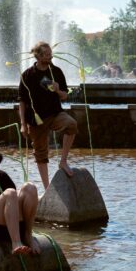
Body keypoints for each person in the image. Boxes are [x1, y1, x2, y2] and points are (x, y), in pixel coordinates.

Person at [18, 41, 78, 190]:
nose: (50, 56)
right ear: (37, 56)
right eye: (46, 54)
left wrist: (57, 90)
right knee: (40, 154)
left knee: (71, 124)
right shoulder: (27, 75)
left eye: (51, 53)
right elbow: (22, 102)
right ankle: (47, 188)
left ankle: (63, 161)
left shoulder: (56, 71)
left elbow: (65, 96)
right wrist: (23, 124)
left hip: (55, 114)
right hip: (36, 119)